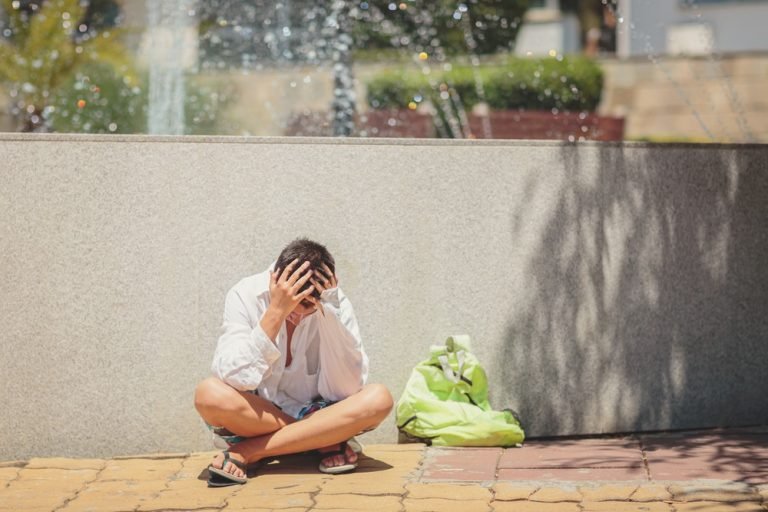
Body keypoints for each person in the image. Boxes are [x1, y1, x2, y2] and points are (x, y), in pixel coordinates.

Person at [194, 238, 393, 487]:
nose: (299, 314)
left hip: (314, 410)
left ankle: (249, 451)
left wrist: (329, 313)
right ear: (274, 281)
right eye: (295, 303)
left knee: (379, 399)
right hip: (257, 416)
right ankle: (323, 440)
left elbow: (346, 389)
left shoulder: (334, 301)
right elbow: (235, 377)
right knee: (208, 394)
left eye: (309, 306)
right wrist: (277, 311)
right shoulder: (244, 294)